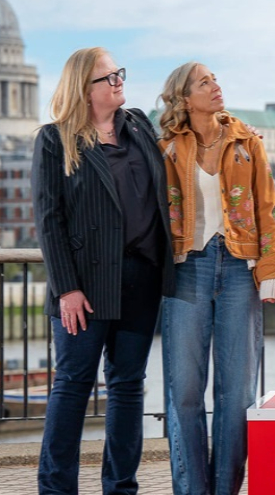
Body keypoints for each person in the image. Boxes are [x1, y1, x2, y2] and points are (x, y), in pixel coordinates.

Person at [32, 47, 175, 494]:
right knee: (73, 387)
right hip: (85, 286)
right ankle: (56, 489)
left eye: (119, 74)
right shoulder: (55, 139)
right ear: (84, 88)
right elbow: (48, 219)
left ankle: (121, 487)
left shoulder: (137, 125)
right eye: (108, 78)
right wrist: (66, 289)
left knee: (129, 386)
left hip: (141, 276)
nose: (118, 82)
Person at [158, 62, 275, 495]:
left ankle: (226, 488)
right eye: (204, 82)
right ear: (183, 97)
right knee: (186, 392)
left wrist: (273, 268)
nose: (216, 86)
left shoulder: (247, 141)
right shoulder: (166, 146)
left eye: (215, 79)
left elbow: (268, 209)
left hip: (238, 269)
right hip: (185, 267)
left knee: (237, 394)